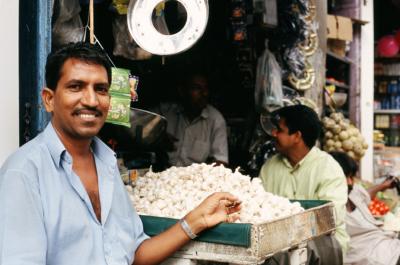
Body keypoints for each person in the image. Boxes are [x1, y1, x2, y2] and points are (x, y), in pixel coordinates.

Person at [0, 42, 241, 265]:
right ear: (49, 100)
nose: (92, 100)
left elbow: (135, 252)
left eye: (101, 89)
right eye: (76, 87)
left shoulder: (106, 162)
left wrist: (196, 221)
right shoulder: (24, 173)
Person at [259, 105, 349, 264]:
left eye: (279, 130)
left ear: (297, 136)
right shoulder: (269, 167)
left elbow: (329, 220)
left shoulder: (328, 168)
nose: (273, 133)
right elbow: (258, 209)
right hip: (277, 243)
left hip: (323, 243)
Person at [330, 151, 400, 265]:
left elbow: (365, 194)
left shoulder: (352, 192)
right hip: (373, 258)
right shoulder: (332, 206)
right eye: (345, 177)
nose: (349, 182)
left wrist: (384, 185)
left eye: (351, 177)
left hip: (390, 246)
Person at [151, 71, 229, 167]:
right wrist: (156, 136)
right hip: (161, 174)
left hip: (192, 179)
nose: (204, 93)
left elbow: (221, 161)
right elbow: (136, 124)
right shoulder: (165, 111)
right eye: (197, 88)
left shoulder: (216, 120)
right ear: (182, 91)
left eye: (206, 88)